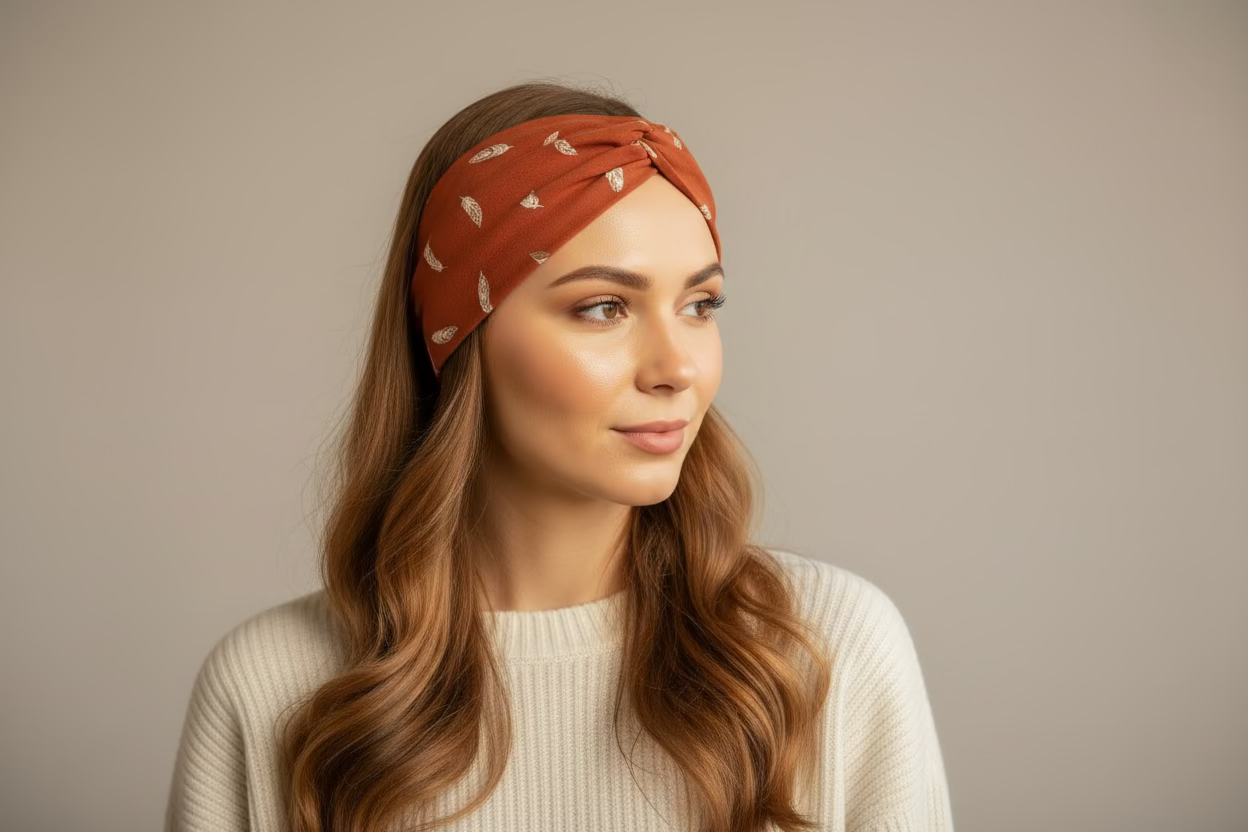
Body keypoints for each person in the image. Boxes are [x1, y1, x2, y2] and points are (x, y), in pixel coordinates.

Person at [164, 80, 954, 832]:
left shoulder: (825, 653)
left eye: (699, 305)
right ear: (458, 339)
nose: (677, 367)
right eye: (603, 307)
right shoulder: (276, 690)